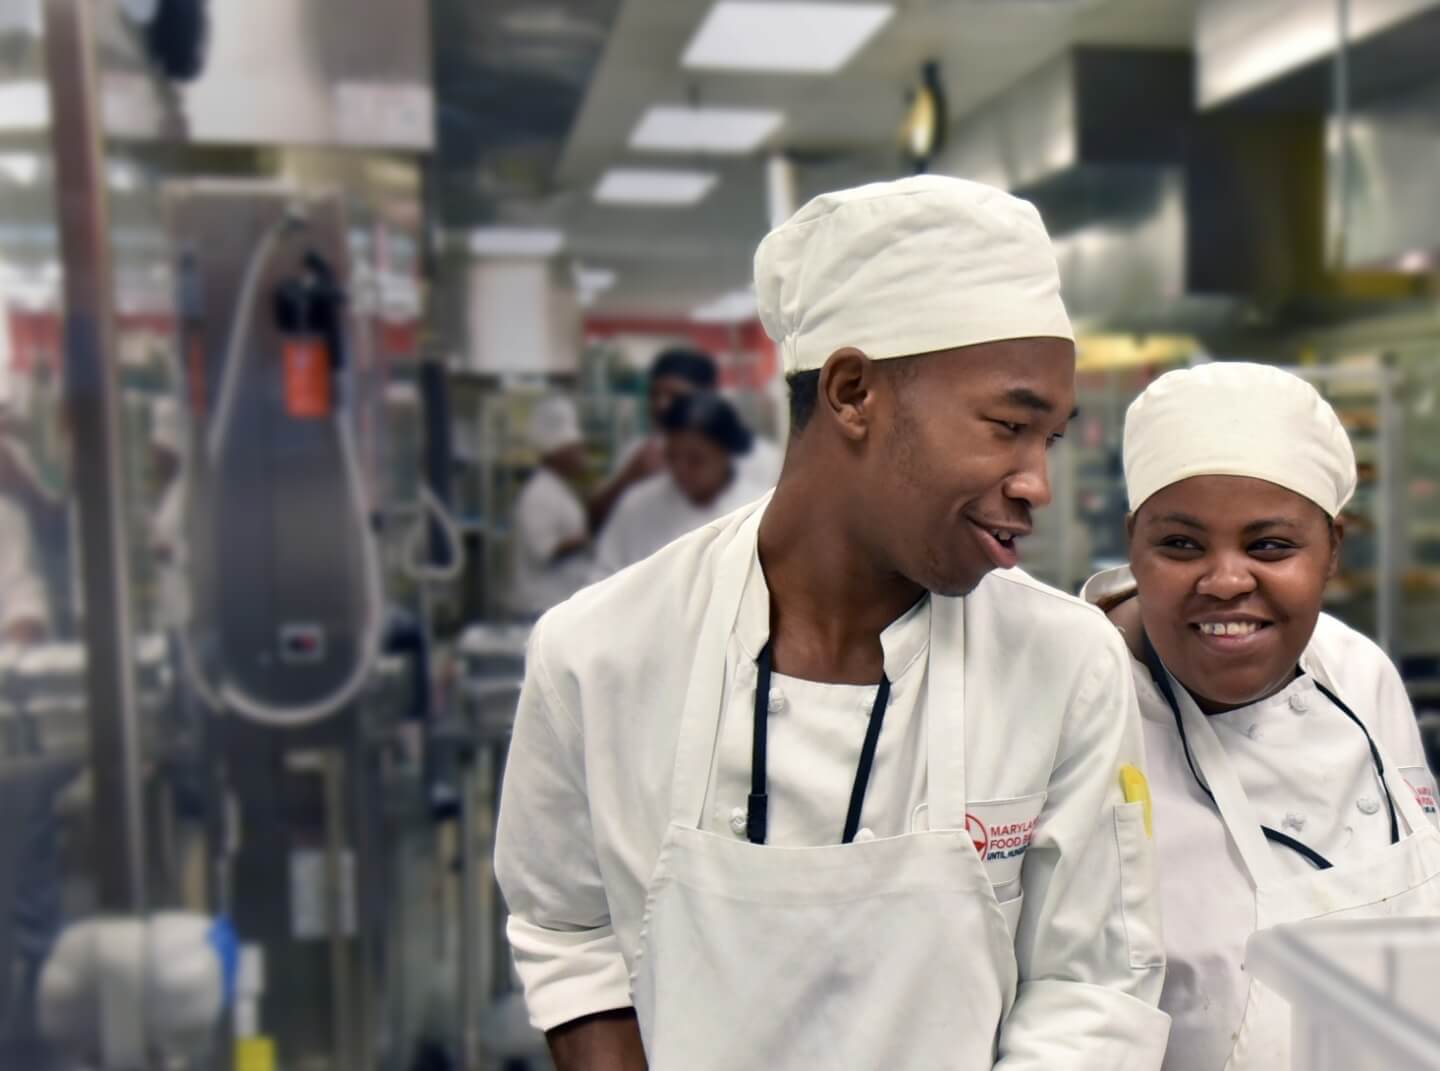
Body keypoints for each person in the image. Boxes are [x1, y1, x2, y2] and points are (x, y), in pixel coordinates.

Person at [496, 175, 1169, 1071]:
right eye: (1009, 425)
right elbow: (567, 931)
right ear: (853, 392)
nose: (1035, 482)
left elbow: (1093, 981)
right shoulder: (598, 653)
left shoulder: (1066, 661)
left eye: (1047, 440)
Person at [1080, 362, 1440, 1071]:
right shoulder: (1077, 711)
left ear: (1334, 546)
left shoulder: (1357, 670)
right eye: (1180, 544)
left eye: (1269, 545)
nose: (1225, 581)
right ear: (1133, 542)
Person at [591, 347, 782, 529]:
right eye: (654, 394)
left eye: (673, 394)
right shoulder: (639, 453)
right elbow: (597, 523)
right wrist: (629, 477)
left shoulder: (762, 458)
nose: (661, 404)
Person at [593, 391, 762, 577]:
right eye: (672, 456)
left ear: (725, 454)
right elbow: (604, 575)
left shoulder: (757, 510)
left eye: (695, 460)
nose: (681, 469)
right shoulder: (638, 505)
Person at [506, 396, 593, 620]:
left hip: (559, 603)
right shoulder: (538, 494)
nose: (581, 456)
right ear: (557, 453)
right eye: (575, 450)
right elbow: (545, 551)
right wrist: (589, 537)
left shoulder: (559, 489)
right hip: (538, 608)